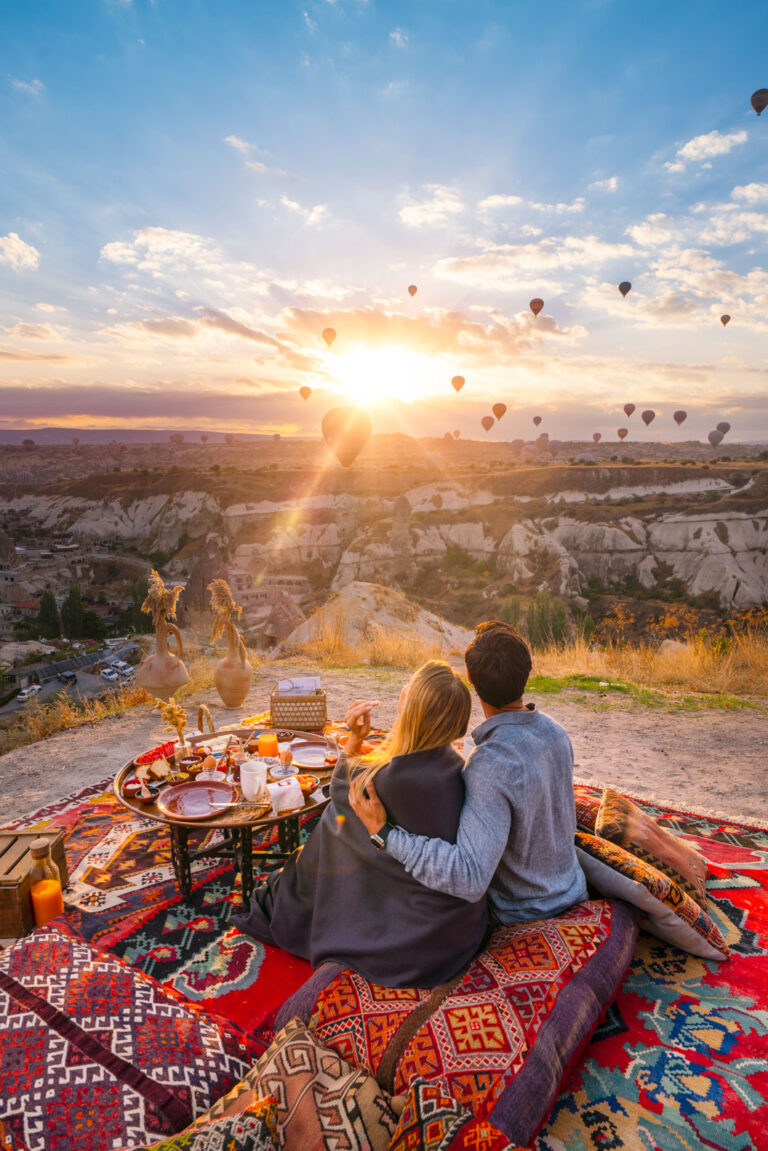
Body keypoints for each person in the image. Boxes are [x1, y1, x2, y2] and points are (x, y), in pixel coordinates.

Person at [232, 661, 488, 988]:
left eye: (409, 690)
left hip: (414, 944)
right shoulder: (457, 767)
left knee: (332, 829)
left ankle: (299, 901)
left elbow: (340, 797)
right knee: (352, 832)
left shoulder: (389, 780)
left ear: (412, 710)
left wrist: (354, 739)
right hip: (458, 932)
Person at [351, 621, 587, 924]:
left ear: (470, 678)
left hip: (522, 911)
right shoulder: (556, 733)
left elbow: (469, 878)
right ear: (528, 671)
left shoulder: (489, 764)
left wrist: (384, 834)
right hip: (571, 887)